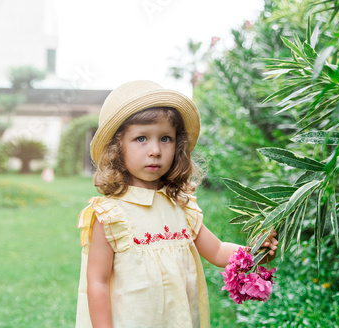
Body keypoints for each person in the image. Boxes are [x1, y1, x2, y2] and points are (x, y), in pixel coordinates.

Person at [75, 80, 278, 328]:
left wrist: (255, 252)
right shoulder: (110, 215)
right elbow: (97, 282)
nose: (155, 150)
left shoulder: (181, 206)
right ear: (117, 149)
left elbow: (215, 250)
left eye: (166, 138)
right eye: (141, 138)